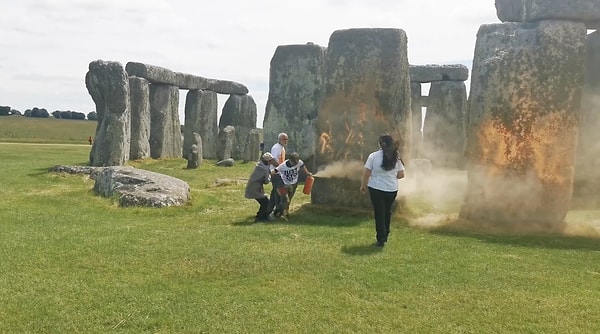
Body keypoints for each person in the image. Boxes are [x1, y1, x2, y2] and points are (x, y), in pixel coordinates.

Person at [360, 134, 405, 247]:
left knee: (379, 213)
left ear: (380, 144)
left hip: (376, 188)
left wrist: (363, 185)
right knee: (387, 211)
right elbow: (401, 175)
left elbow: (367, 173)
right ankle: (386, 233)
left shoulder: (373, 156)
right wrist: (390, 176)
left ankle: (381, 238)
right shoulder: (396, 157)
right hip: (392, 189)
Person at [273, 152, 312, 220]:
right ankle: (276, 212)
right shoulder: (283, 166)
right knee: (285, 200)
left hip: (294, 184)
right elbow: (275, 171)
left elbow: (303, 166)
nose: (295, 163)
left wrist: (308, 173)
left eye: (296, 162)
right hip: (283, 184)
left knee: (289, 200)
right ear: (290, 160)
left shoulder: (299, 162)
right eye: (294, 162)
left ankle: (285, 213)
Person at [245, 152, 277, 222]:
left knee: (264, 202)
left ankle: (260, 215)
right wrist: (271, 175)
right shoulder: (265, 169)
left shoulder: (259, 165)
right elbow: (266, 181)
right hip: (255, 189)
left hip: (252, 186)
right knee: (265, 202)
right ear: (268, 161)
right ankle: (261, 217)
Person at [267, 132, 289, 215]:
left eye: (286, 139)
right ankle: (276, 212)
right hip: (276, 173)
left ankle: (269, 210)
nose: (286, 141)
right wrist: (281, 168)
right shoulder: (277, 148)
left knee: (275, 193)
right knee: (278, 192)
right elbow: (272, 160)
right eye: (284, 139)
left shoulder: (281, 148)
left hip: (279, 173)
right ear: (279, 139)